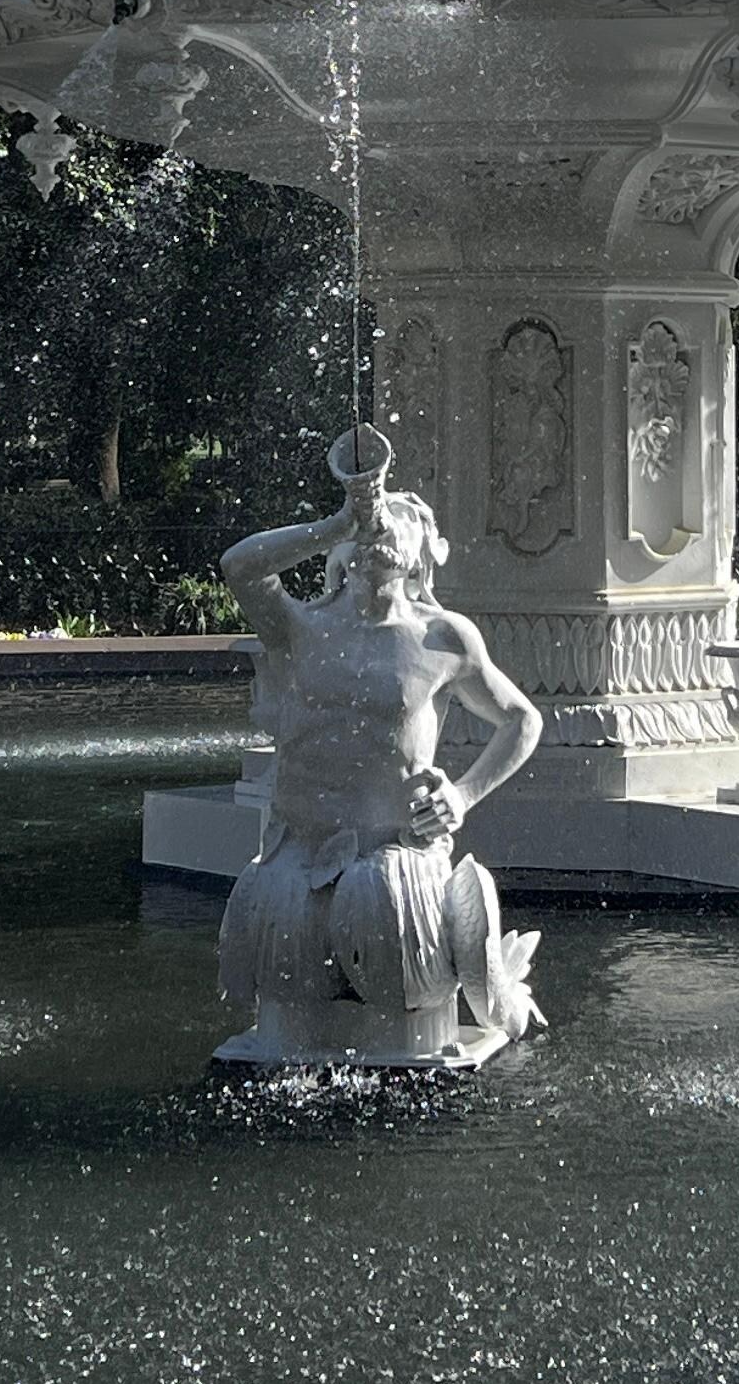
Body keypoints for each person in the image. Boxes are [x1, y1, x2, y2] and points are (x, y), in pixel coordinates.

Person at [217, 426, 545, 1061]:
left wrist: (465, 794)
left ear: (422, 548)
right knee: (285, 969)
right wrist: (338, 523)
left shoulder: (443, 638)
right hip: (297, 854)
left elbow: (522, 720)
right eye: (374, 516)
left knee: (382, 910)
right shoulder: (301, 627)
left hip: (394, 861)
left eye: (399, 516)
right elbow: (238, 566)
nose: (382, 521)